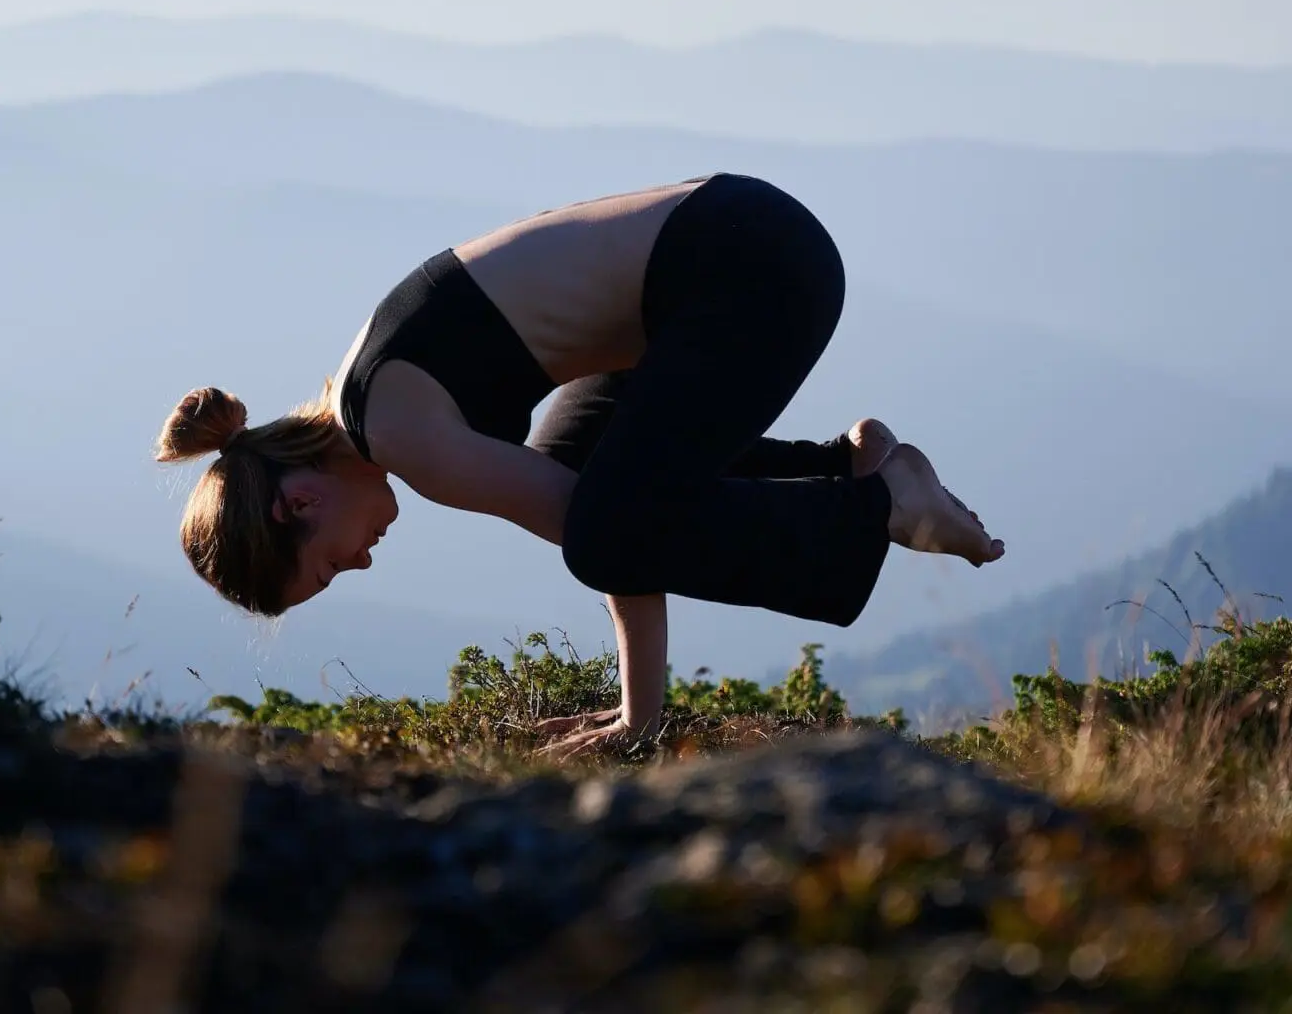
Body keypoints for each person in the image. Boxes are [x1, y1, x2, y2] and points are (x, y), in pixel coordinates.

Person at [156, 172, 1004, 757]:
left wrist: (640, 721)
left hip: (753, 274)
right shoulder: (355, 394)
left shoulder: (403, 437)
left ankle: (883, 501)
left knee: (603, 531)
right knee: (580, 461)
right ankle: (849, 469)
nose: (364, 561)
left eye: (332, 567)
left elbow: (613, 541)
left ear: (297, 504)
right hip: (736, 241)